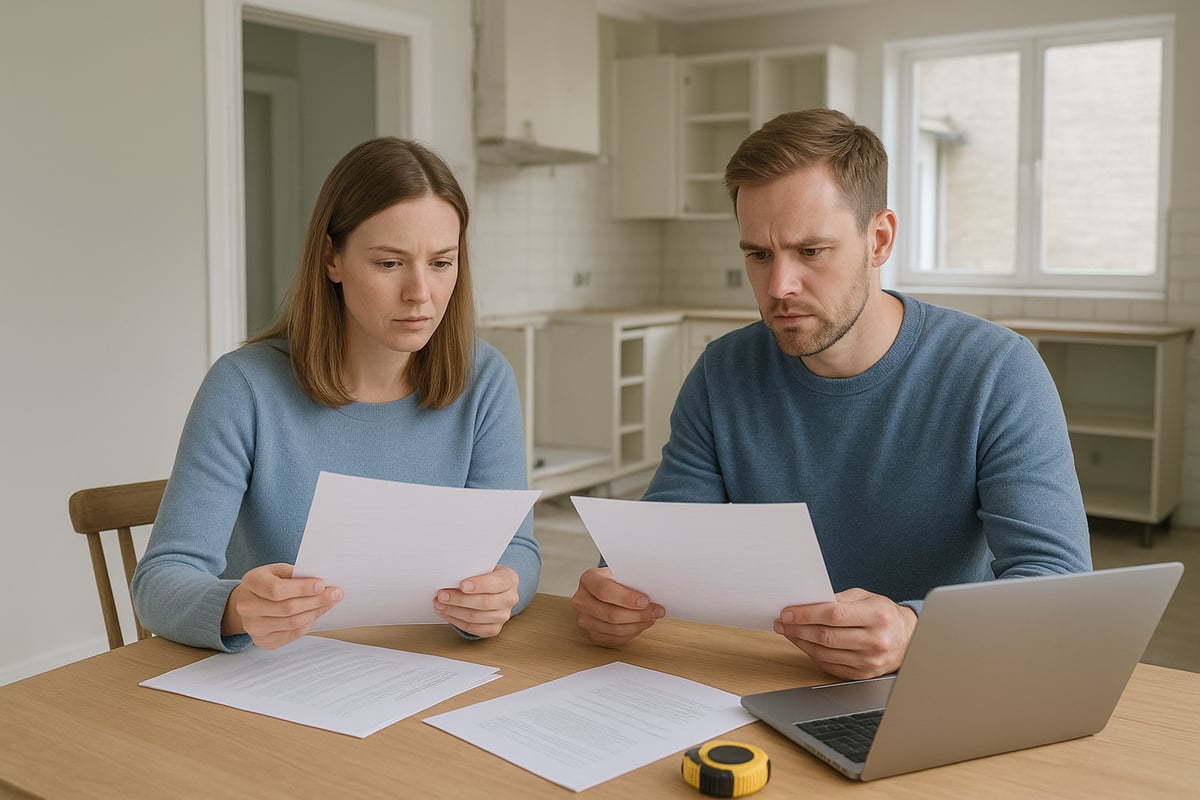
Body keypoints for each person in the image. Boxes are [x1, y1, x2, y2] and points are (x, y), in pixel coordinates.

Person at [571, 108, 1091, 680]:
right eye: (758, 255)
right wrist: (616, 591)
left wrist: (916, 632)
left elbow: (1058, 584)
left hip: (942, 679)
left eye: (811, 251)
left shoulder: (997, 370)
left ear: (880, 239)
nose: (779, 288)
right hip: (761, 676)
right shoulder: (723, 371)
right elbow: (665, 537)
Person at [132, 137, 540, 652]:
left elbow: (516, 548)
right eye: (390, 264)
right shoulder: (244, 388)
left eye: (441, 263)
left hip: (429, 669)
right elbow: (162, 581)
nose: (421, 292)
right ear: (332, 258)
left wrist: (502, 590)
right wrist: (238, 607)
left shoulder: (485, 379)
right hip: (276, 683)